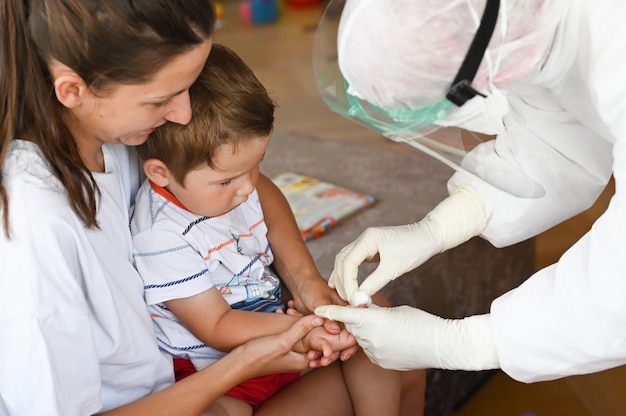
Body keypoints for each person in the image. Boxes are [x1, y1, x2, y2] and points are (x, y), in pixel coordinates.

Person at [0, 1, 427, 415]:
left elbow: (261, 192)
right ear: (73, 90)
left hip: (209, 369)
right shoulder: (32, 230)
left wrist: (304, 281)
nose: (183, 113)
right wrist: (245, 362)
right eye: (162, 98)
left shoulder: (118, 136)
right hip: (187, 391)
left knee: (391, 340)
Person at [314, 0, 626, 385]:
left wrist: (458, 342)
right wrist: (435, 228)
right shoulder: (528, 26)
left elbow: (619, 290)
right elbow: (559, 138)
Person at [131, 43, 406, 416]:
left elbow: (268, 198)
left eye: (257, 164)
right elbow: (216, 325)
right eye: (228, 181)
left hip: (280, 325)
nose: (248, 187)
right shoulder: (160, 236)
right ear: (160, 173)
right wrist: (300, 332)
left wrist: (309, 284)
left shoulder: (230, 184)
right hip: (221, 367)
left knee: (377, 313)